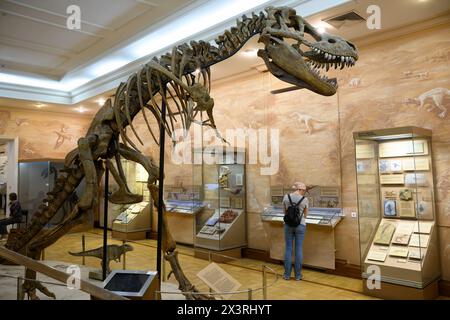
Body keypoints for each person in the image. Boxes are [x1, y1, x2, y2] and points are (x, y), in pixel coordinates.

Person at [282, 182, 308, 280]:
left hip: (288, 225)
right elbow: (305, 215)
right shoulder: (304, 199)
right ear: (300, 189)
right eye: (304, 190)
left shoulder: (286, 197)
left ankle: (287, 275)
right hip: (300, 225)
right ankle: (297, 276)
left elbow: (284, 212)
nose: (304, 192)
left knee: (288, 249)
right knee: (299, 249)